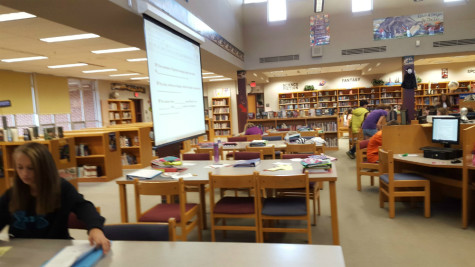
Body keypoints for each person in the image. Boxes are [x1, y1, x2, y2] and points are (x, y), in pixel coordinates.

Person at [0, 142, 110, 253]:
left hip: (56, 250)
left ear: (44, 168)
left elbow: (83, 206)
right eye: (20, 168)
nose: (24, 173)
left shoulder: (61, 188)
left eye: (31, 168)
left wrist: (95, 228)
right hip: (21, 252)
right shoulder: (12, 194)